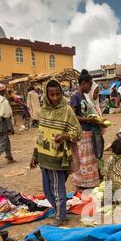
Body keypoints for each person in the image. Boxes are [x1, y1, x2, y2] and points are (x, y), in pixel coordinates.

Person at [30, 79, 82, 226]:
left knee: (57, 189)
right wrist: (35, 155)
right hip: (44, 156)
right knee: (47, 190)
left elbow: (77, 132)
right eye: (51, 95)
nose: (55, 98)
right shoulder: (44, 110)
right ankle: (59, 211)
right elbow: (41, 135)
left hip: (58, 157)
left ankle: (61, 216)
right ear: (46, 95)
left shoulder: (67, 110)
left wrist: (64, 136)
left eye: (58, 94)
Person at [70, 70, 105, 190]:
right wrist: (88, 120)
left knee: (89, 157)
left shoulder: (83, 96)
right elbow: (74, 116)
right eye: (89, 85)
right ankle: (82, 182)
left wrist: (93, 119)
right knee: (83, 158)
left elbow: (84, 113)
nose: (90, 88)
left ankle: (89, 181)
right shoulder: (75, 97)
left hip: (88, 130)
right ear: (83, 83)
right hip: (82, 132)